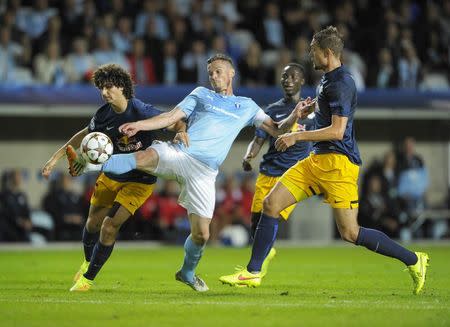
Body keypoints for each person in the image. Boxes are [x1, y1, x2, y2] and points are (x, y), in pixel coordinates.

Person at [70, 53, 316, 292]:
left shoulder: (247, 106)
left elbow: (276, 130)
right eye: (210, 73)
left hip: (205, 173)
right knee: (143, 157)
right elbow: (170, 117)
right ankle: (90, 165)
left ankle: (187, 272)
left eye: (218, 72)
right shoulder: (200, 94)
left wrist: (295, 115)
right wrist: (139, 125)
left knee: (202, 234)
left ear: (232, 73)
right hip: (180, 154)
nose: (214, 77)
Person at [219, 26, 429, 295]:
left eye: (313, 51)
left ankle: (414, 260)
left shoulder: (342, 83)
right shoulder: (327, 81)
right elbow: (329, 114)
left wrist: (297, 138)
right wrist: (311, 109)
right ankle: (253, 272)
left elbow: (338, 131)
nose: (310, 55)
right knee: (270, 204)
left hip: (339, 165)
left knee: (350, 233)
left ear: (327, 53)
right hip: (316, 160)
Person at [41, 64, 187, 292]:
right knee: (92, 223)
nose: (104, 92)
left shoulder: (142, 111)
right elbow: (83, 134)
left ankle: (87, 279)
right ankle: (88, 260)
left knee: (109, 227)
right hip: (111, 176)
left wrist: (181, 130)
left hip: (140, 180)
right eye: (101, 88)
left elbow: (173, 120)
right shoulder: (102, 116)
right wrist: (55, 157)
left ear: (122, 87)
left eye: (109, 87)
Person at [242, 62, 314, 275]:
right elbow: (258, 139)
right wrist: (249, 156)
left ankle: (255, 268)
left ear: (302, 80)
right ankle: (265, 253)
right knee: (256, 223)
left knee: (272, 215)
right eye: (284, 77)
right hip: (268, 172)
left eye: (293, 77)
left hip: (292, 175)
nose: (288, 81)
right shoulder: (273, 110)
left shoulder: (312, 111)